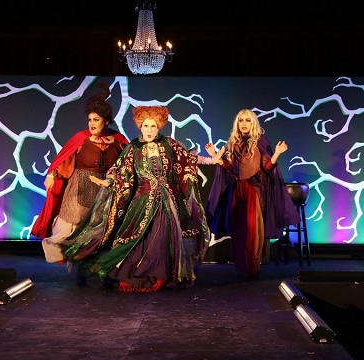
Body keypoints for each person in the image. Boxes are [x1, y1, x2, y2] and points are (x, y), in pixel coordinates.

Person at [62, 105, 210, 292]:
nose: (149, 130)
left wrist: (211, 159)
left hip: (168, 202)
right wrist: (109, 181)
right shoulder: (134, 148)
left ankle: (161, 274)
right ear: (140, 126)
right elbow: (121, 170)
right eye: (145, 126)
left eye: (153, 126)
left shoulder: (169, 144)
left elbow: (187, 159)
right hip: (142, 202)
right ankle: (139, 272)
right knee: (138, 239)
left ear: (159, 127)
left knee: (162, 239)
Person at [30, 84, 129, 269]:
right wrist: (52, 174)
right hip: (79, 188)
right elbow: (64, 159)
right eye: (90, 119)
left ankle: (96, 264)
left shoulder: (118, 140)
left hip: (105, 191)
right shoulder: (81, 138)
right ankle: (73, 260)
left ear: (106, 121)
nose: (91, 123)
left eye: (96, 119)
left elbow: (128, 164)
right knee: (73, 224)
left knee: (100, 228)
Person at [204, 108, 300, 279]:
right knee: (238, 230)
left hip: (254, 191)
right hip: (237, 191)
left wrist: (277, 153)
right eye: (241, 120)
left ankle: (252, 267)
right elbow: (230, 168)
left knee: (252, 229)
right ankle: (241, 267)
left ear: (253, 123)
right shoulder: (233, 143)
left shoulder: (260, 141)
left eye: (247, 120)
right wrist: (215, 157)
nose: (244, 124)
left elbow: (267, 168)